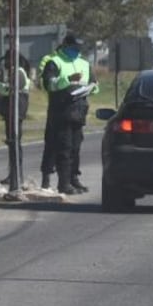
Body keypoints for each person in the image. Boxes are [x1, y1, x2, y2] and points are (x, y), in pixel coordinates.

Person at [42, 32, 98, 194]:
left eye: (78, 48)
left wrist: (92, 88)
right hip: (61, 111)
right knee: (64, 148)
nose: (76, 50)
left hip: (79, 111)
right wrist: (67, 80)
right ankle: (63, 183)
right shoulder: (55, 62)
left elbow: (94, 83)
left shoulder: (84, 63)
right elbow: (49, 84)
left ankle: (74, 179)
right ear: (65, 46)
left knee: (76, 148)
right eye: (73, 47)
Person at [0, 51, 32, 185]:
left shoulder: (18, 72)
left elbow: (9, 89)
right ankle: (13, 174)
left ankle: (17, 176)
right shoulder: (17, 72)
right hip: (13, 111)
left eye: (6, 60)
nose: (5, 64)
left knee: (14, 144)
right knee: (13, 144)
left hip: (15, 111)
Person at [37, 48, 58, 190]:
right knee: (51, 145)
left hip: (75, 110)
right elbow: (46, 82)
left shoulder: (80, 61)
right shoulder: (50, 60)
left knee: (71, 149)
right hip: (56, 108)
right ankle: (46, 179)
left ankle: (69, 180)